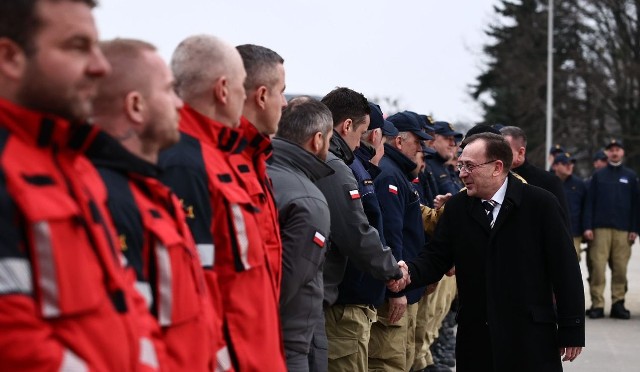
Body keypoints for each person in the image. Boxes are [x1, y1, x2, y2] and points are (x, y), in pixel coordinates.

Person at [0, 1, 164, 370]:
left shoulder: (74, 166)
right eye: (77, 46)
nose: (100, 66)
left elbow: (125, 298)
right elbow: (14, 343)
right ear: (10, 57)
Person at [90, 38, 224, 371]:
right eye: (169, 91)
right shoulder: (108, 197)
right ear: (135, 106)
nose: (180, 104)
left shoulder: (152, 191)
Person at [399, 133, 585, 372]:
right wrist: (407, 273)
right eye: (460, 165)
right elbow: (436, 258)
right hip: (478, 336)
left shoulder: (540, 204)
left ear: (497, 167)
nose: (462, 173)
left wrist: (572, 328)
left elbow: (565, 269)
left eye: (469, 166)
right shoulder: (457, 208)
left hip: (529, 336)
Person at [158, 35, 286, 371]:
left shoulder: (231, 157)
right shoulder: (185, 162)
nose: (246, 95)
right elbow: (190, 291)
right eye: (243, 85)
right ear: (223, 89)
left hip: (255, 351)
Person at [315, 87, 408, 372]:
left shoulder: (339, 162)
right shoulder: (338, 166)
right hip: (343, 301)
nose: (360, 143)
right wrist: (393, 270)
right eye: (361, 132)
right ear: (346, 126)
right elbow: (355, 231)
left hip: (341, 296)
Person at [267, 97, 334, 372]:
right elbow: (289, 283)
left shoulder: (255, 171)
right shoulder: (308, 199)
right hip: (289, 342)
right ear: (317, 140)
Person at [369, 111, 429, 371]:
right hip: (395, 289)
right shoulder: (391, 175)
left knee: (402, 358)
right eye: (417, 141)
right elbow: (392, 236)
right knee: (388, 361)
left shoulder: (398, 174)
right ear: (399, 142)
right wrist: (399, 289)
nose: (421, 148)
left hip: (406, 284)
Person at [235, 44, 286, 295]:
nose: (285, 103)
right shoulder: (223, 161)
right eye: (282, 92)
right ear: (262, 95)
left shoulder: (255, 160)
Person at [583, 138, 639, 320]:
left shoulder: (630, 176)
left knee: (620, 269)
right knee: (598, 268)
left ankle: (618, 303)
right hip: (600, 230)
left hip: (623, 230)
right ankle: (597, 304)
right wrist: (588, 226)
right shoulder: (598, 176)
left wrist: (634, 228)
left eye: (618, 149)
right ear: (607, 153)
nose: (614, 152)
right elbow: (589, 203)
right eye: (611, 150)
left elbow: (636, 205)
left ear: (622, 152)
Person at [500, 126, 570, 224]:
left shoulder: (549, 181)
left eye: (504, 151)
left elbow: (561, 224)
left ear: (521, 152)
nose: (498, 155)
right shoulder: (493, 180)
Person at [551, 152, 587, 260]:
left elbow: (585, 208)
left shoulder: (579, 184)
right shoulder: (547, 181)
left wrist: (585, 228)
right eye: (565, 163)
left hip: (573, 232)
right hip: (551, 230)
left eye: (571, 163)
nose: (569, 166)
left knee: (572, 262)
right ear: (555, 166)